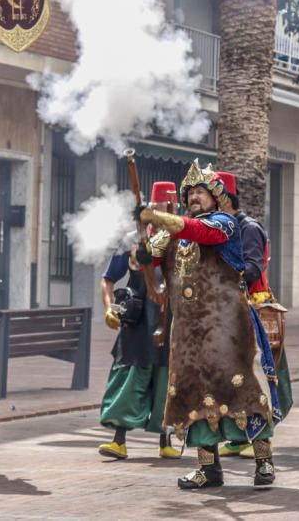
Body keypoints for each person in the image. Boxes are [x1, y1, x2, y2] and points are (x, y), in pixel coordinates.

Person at [135, 160, 280, 490]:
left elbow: (200, 231)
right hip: (189, 333)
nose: (196, 197)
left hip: (229, 326)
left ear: (216, 198)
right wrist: (142, 250)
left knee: (245, 392)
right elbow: (144, 257)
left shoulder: (224, 223)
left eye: (202, 192)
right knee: (194, 398)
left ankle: (264, 462)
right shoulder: (174, 233)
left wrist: (158, 217)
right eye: (192, 193)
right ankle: (208, 469)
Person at [97, 181, 180, 461]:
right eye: (158, 207)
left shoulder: (182, 240)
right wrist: (109, 308)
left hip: (171, 316)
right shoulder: (132, 239)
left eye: (168, 208)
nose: (163, 211)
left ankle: (165, 438)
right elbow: (108, 279)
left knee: (166, 377)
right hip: (138, 318)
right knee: (130, 377)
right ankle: (118, 440)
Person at [215, 171, 293, 460]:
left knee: (256, 376)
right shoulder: (223, 229)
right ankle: (238, 436)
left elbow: (252, 267)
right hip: (230, 310)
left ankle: (258, 437)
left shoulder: (247, 228)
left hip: (252, 311)